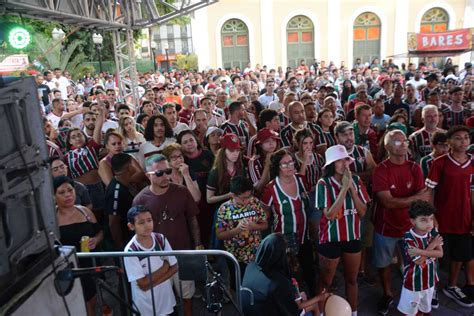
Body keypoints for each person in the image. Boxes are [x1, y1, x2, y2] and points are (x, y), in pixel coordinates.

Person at [132, 154, 203, 316]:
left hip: (182, 253)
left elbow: (192, 218)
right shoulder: (140, 200)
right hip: (157, 259)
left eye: (168, 171)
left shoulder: (182, 192)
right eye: (159, 173)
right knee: (162, 300)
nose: (165, 176)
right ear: (147, 175)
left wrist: (198, 244)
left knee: (187, 296)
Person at [372, 129, 429, 315]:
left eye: (405, 140)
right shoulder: (381, 170)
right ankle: (387, 294)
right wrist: (414, 198)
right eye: (398, 142)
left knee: (414, 263)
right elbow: (387, 202)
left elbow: (423, 200)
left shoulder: (415, 167)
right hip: (385, 227)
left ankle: (411, 295)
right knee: (384, 264)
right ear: (388, 147)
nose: (404, 144)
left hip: (410, 228)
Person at [316, 145, 369, 315]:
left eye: (345, 159)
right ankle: (323, 312)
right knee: (326, 281)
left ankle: (353, 312)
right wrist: (344, 188)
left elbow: (362, 212)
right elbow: (330, 214)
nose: (343, 163)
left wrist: (351, 188)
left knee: (352, 280)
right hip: (330, 238)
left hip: (352, 236)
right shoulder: (323, 184)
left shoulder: (356, 181)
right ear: (331, 164)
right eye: (338, 160)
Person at [426, 125, 474, 307]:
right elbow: (429, 191)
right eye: (458, 138)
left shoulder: (473, 162)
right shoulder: (440, 163)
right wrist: (432, 216)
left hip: (465, 218)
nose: (463, 141)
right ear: (449, 142)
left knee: (459, 255)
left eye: (466, 138)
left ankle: (452, 286)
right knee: (434, 255)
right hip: (443, 217)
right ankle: (431, 288)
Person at [261, 148, 316, 294]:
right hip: (285, 242)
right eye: (284, 164)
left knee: (310, 273)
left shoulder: (301, 180)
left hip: (305, 237)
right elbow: (264, 213)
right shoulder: (271, 189)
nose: (289, 166)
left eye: (291, 162)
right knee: (290, 278)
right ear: (277, 167)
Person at [242, 233, 330, 316]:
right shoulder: (279, 283)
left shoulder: (250, 267)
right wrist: (320, 297)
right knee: (312, 305)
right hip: (269, 311)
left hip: (250, 311)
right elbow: (294, 309)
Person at [54, 176, 103, 316]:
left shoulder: (85, 212)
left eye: (70, 190)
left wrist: (96, 240)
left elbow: (100, 232)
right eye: (61, 192)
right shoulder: (52, 219)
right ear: (53, 196)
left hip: (88, 267)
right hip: (66, 270)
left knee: (91, 303)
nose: (68, 195)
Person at [124, 205, 177, 316]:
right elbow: (142, 283)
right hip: (145, 305)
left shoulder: (160, 239)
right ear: (131, 226)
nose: (147, 225)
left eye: (149, 220)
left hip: (166, 299)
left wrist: (152, 284)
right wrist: (165, 267)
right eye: (141, 222)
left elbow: (175, 266)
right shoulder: (131, 250)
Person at [397, 200, 443, 316]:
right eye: (423, 220)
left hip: (430, 280)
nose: (429, 223)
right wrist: (432, 245)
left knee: (424, 309)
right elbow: (419, 261)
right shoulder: (408, 238)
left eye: (431, 219)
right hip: (414, 282)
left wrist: (419, 251)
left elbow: (440, 253)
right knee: (410, 312)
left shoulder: (432, 233)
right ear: (413, 221)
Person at [216, 176, 268, 275]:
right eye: (244, 198)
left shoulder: (255, 202)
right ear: (233, 195)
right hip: (235, 257)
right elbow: (220, 235)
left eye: (249, 196)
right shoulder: (224, 208)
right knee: (238, 284)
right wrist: (237, 230)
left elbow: (265, 224)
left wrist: (254, 226)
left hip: (256, 254)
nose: (247, 200)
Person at [64, 102, 105, 221]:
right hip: (81, 190)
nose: (77, 138)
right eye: (73, 137)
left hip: (97, 187)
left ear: (84, 137)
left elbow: (98, 127)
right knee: (85, 217)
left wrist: (101, 112)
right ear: (70, 142)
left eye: (79, 135)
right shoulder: (66, 157)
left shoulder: (91, 147)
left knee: (101, 215)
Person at [177, 129, 216, 248]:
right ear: (180, 145)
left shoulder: (207, 154)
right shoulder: (182, 160)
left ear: (196, 141)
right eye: (185, 142)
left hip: (210, 197)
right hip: (192, 201)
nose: (189, 143)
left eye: (191, 140)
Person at [105, 153, 135, 250]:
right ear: (129, 168)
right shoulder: (116, 191)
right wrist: (120, 248)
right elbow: (113, 222)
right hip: (124, 243)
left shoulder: (125, 184)